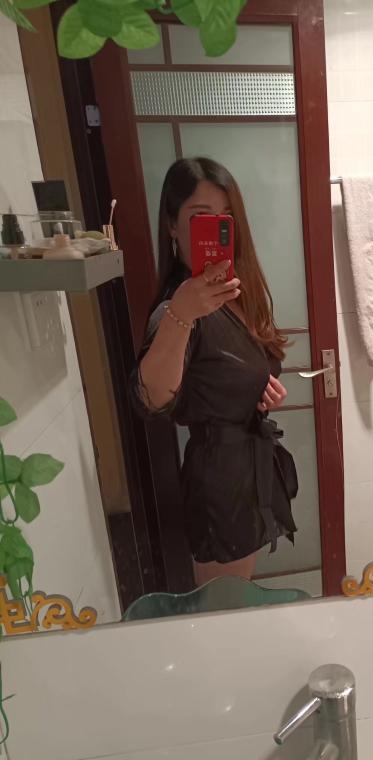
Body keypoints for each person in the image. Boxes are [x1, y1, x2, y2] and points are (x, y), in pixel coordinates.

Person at [131, 157, 298, 587]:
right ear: (172, 225)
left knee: (237, 600)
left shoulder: (235, 295)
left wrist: (261, 395)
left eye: (226, 218)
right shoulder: (176, 309)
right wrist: (182, 314)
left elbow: (230, 375)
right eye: (200, 217)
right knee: (225, 608)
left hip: (248, 472)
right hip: (220, 488)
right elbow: (150, 398)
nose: (216, 229)